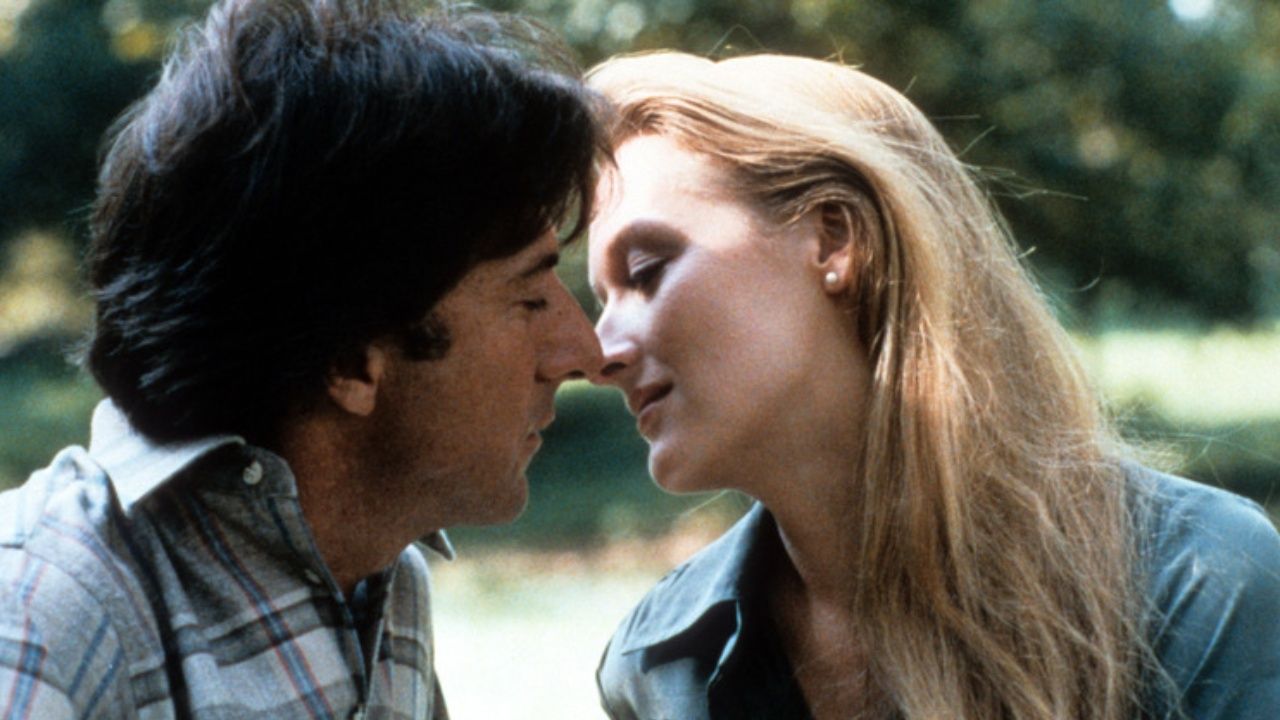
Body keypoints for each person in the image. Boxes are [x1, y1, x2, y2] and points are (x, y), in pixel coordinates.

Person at [586, 51, 1280, 720]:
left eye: (645, 271)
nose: (599, 353)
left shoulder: (1196, 582)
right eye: (601, 299)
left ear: (834, 238)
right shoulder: (657, 664)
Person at [0, 0, 605, 717]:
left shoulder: (383, 577)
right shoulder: (41, 617)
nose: (585, 352)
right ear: (348, 361)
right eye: (529, 298)